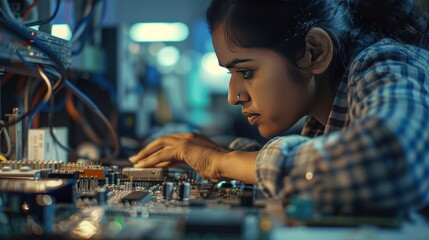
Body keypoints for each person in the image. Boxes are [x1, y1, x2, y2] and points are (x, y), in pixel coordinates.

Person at [130, 0, 429, 215]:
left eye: (246, 72)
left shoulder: (388, 63)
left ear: (315, 51)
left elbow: (390, 162)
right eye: (229, 75)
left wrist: (223, 162)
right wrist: (222, 156)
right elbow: (328, 169)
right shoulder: (325, 117)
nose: (234, 97)